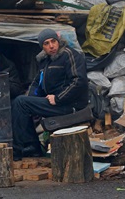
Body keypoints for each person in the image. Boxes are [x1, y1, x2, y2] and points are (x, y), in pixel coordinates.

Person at [11, 29, 88, 160]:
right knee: (22, 104)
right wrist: (31, 98)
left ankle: (17, 152)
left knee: (20, 103)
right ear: (42, 47)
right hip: (56, 103)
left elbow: (79, 81)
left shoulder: (69, 55)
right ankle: (32, 148)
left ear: (58, 41)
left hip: (70, 104)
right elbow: (37, 83)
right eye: (46, 43)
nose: (51, 46)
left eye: (53, 41)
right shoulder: (45, 61)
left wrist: (58, 98)